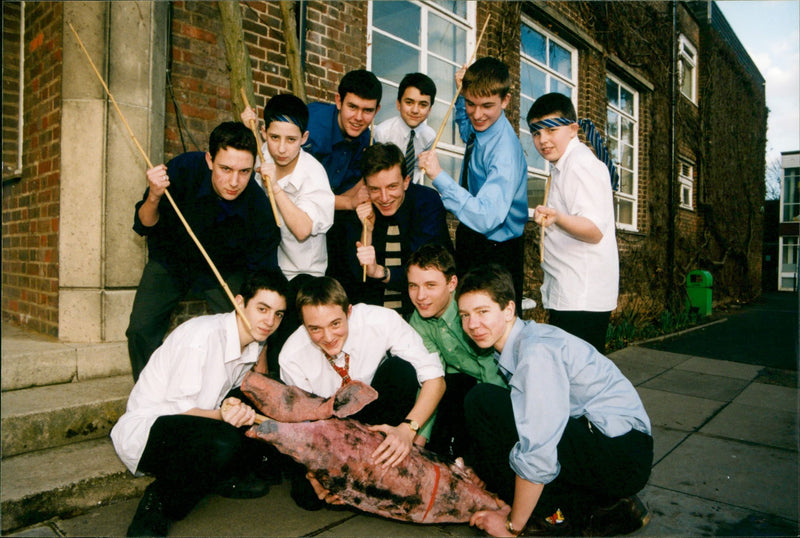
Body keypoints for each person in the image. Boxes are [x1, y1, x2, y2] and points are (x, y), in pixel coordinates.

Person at [456, 264, 652, 537]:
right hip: (616, 449)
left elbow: (539, 448)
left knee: (483, 402)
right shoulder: (524, 342)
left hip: (622, 453)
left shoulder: (535, 353)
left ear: (509, 310)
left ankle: (542, 518)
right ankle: (601, 510)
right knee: (501, 412)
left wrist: (514, 524)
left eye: (482, 312)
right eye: (465, 315)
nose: (472, 324)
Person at [111, 270, 289, 537]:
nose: (269, 321)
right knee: (223, 441)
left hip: (194, 422)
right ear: (240, 303)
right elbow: (178, 409)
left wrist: (230, 406)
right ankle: (158, 501)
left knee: (260, 403)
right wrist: (223, 415)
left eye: (278, 314)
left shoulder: (251, 343)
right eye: (262, 308)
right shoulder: (202, 337)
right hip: (150, 431)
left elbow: (221, 394)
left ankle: (218, 476)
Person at [125, 121, 281, 381]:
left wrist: (260, 342)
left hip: (223, 270)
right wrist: (154, 196)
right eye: (225, 169)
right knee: (140, 329)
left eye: (244, 172)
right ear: (209, 159)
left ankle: (230, 389)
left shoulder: (259, 208)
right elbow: (144, 223)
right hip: (171, 260)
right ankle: (149, 391)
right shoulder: (183, 169)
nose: (234, 181)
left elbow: (263, 277)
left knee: (242, 326)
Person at [279, 276, 445, 510]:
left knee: (401, 371)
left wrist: (408, 429)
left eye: (335, 324)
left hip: (375, 418)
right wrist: (315, 472)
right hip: (327, 429)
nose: (327, 337)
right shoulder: (291, 355)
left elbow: (435, 380)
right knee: (310, 497)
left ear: (349, 312)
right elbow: (304, 427)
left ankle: (387, 459)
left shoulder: (380, 320)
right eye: (315, 328)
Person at [418, 57, 528, 306]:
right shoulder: (483, 126)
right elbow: (469, 130)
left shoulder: (505, 151)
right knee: (466, 314)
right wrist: (460, 97)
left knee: (493, 329)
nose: (477, 114)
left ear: (506, 100)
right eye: (471, 103)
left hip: (498, 249)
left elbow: (488, 217)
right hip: (472, 234)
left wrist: (438, 176)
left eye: (487, 105)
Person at [241, 93, 335, 374]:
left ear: (304, 137)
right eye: (274, 137)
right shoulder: (260, 152)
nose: (281, 148)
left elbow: (302, 229)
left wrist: (276, 187)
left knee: (282, 342)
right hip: (267, 264)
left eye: (291, 140)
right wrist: (247, 126)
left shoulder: (314, 173)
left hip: (302, 273)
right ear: (264, 132)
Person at [527, 92, 619, 352]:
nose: (543, 140)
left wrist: (558, 218)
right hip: (571, 295)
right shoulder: (563, 166)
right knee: (573, 378)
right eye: (536, 133)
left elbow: (594, 230)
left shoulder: (580, 165)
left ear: (572, 129)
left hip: (581, 298)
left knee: (581, 381)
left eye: (551, 130)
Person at [406, 243, 506, 458]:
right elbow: (431, 375)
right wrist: (420, 434)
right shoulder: (418, 320)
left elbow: (491, 371)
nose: (420, 296)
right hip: (458, 382)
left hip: (496, 383)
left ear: (452, 283)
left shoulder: (468, 313)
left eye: (431, 285)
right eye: (413, 285)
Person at [332, 143, 452, 315]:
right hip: (374, 314)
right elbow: (358, 277)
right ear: (365, 186)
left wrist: (381, 272)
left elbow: (428, 271)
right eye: (375, 189)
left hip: (423, 311)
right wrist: (368, 231)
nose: (384, 198)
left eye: (392, 187)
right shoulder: (360, 208)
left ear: (406, 182)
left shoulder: (426, 203)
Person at [304, 69, 382, 283]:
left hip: (333, 216)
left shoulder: (367, 140)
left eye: (367, 110)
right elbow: (302, 196)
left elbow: (350, 193)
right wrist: (348, 202)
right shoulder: (310, 127)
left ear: (377, 110)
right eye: (352, 107)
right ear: (338, 101)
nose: (358, 118)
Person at [373, 72, 437, 185]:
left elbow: (418, 168)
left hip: (411, 188)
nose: (415, 110)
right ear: (398, 104)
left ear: (430, 110)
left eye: (423, 104)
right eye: (409, 102)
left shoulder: (430, 136)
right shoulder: (383, 132)